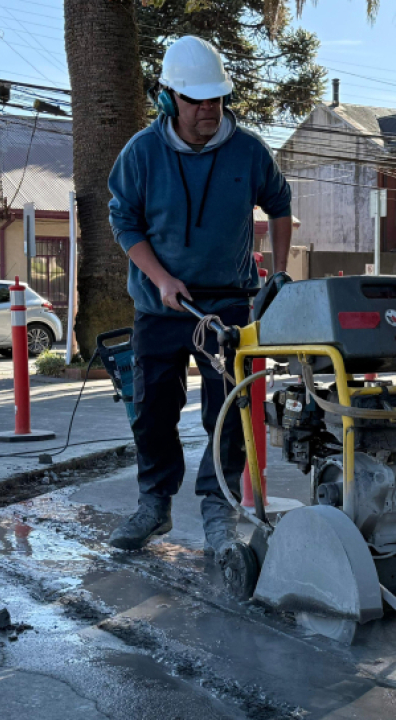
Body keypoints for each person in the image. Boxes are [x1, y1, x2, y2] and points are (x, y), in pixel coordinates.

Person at [106, 36, 292, 556]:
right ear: (169, 99)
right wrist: (161, 279)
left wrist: (278, 274)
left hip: (228, 305)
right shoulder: (142, 153)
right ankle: (154, 504)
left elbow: (280, 203)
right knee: (152, 411)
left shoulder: (248, 151)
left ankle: (218, 509)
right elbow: (124, 220)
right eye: (196, 100)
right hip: (160, 305)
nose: (209, 109)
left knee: (227, 413)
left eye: (217, 98)